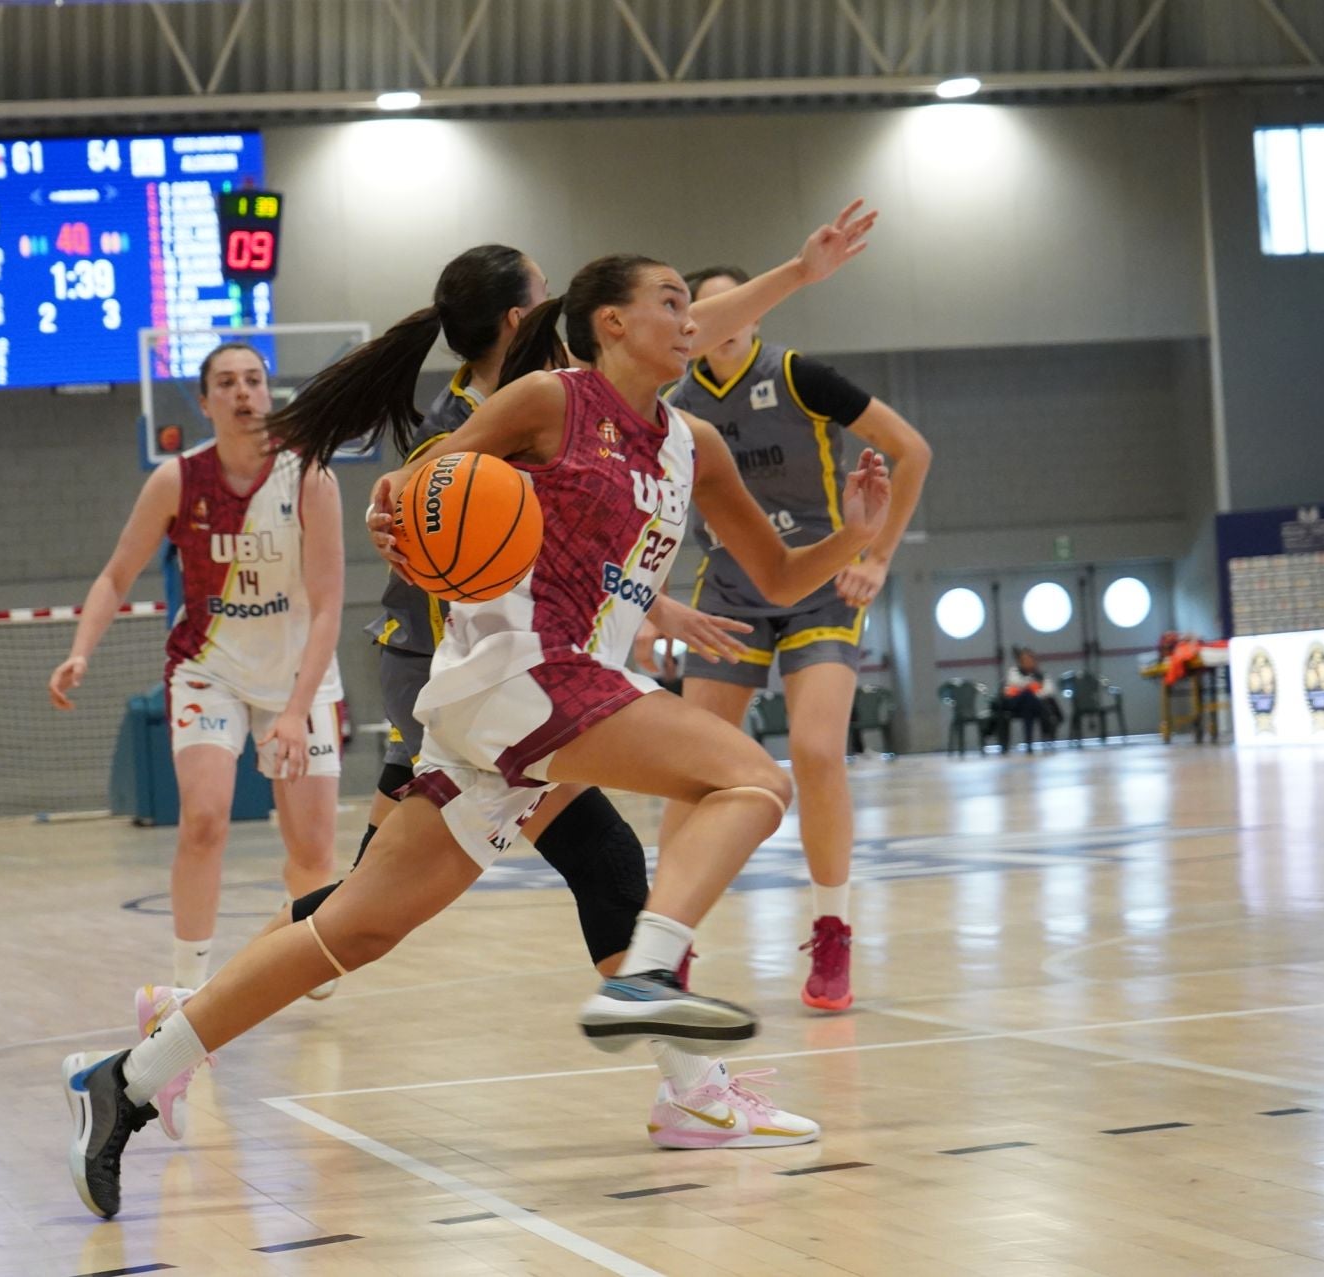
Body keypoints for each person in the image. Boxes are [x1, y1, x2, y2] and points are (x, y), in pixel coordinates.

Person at [61, 250, 890, 1220]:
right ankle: (653, 974)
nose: (690, 318)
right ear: (610, 321)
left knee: (352, 927)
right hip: (518, 672)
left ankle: (128, 1076)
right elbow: (409, 493)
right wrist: (411, 522)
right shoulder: (550, 399)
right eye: (670, 301)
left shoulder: (693, 444)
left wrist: (858, 536)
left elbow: (782, 577)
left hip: (531, 704)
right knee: (751, 780)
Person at [48, 343, 345, 1137]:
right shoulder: (177, 480)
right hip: (208, 667)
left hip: (297, 674)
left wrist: (296, 707)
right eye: (227, 383)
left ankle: (299, 944)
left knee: (313, 858)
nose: (245, 393)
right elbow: (117, 574)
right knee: (205, 818)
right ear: (204, 402)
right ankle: (183, 992)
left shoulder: (310, 475)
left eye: (254, 380)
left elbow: (328, 603)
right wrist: (82, 646)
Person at [660, 265, 932, 1013]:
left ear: (753, 312)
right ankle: (665, 943)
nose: (722, 318)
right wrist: (647, 608)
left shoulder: (799, 375)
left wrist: (876, 555)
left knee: (815, 750)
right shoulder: (673, 402)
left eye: (732, 304)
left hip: (819, 577)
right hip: (729, 588)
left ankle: (833, 927)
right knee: (693, 769)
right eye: (704, 308)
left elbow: (912, 450)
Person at [1001, 645, 1062, 745]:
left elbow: (1049, 690)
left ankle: (1031, 741)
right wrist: (1032, 686)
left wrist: (1033, 691)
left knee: (1030, 701)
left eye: (1030, 659)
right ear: (1020, 661)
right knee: (1027, 694)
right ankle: (1046, 726)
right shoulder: (1014, 672)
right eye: (1024, 659)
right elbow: (1014, 685)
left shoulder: (1041, 675)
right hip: (1016, 705)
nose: (1028, 661)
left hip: (1033, 705)